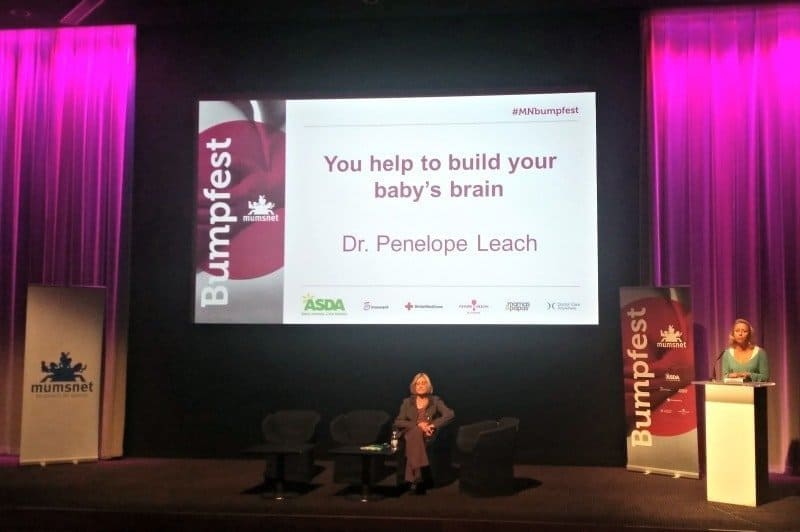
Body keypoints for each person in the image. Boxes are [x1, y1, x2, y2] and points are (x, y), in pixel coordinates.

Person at [394, 372, 454, 494]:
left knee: (417, 434)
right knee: (415, 431)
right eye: (418, 383)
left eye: (423, 383)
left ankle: (410, 478)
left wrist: (433, 424)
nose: (420, 386)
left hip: (427, 434)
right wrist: (417, 425)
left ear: (428, 386)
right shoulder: (407, 402)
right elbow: (398, 421)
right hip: (409, 432)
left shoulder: (435, 401)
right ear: (414, 386)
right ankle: (418, 477)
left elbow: (450, 414)